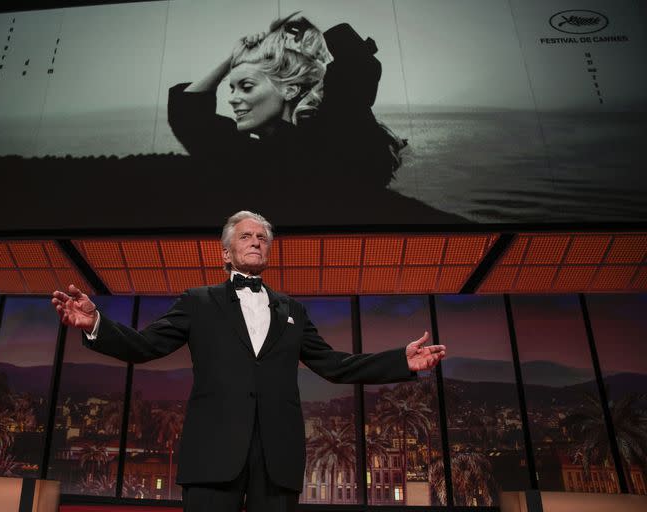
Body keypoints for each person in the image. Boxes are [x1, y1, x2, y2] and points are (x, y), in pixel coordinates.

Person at [51, 210, 446, 512]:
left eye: (262, 237)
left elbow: (334, 364)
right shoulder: (197, 301)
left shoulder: (293, 310)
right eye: (246, 236)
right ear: (226, 252)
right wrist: (96, 323)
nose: (256, 241)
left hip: (278, 459)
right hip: (212, 455)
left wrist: (401, 362)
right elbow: (145, 346)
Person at [167, 13, 407, 190]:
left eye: (248, 86)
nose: (233, 99)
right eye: (233, 88)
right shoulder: (250, 159)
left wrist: (316, 43)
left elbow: (357, 69)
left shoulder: (329, 142)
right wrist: (235, 57)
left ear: (290, 89)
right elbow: (189, 116)